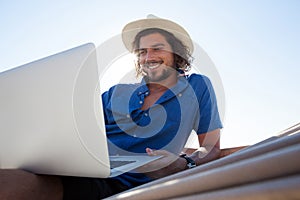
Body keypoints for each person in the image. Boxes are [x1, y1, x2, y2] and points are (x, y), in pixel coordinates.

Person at [0, 15, 222, 200]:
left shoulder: (198, 86)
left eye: (157, 49)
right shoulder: (117, 92)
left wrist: (184, 163)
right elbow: (78, 131)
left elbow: (211, 148)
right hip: (82, 168)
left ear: (176, 53)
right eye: (142, 52)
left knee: (9, 184)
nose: (148, 57)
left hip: (128, 182)